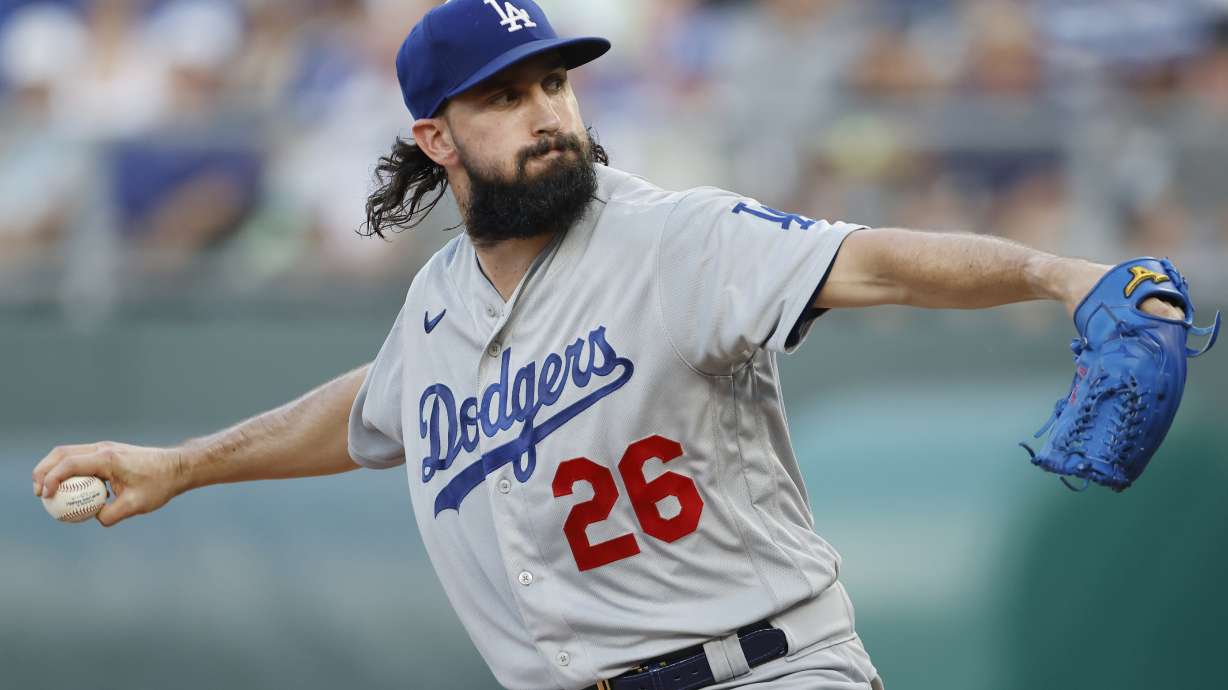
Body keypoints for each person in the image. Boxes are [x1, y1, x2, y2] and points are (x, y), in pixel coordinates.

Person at [31, 2, 1185, 689]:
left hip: (769, 669)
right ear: (435, 136)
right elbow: (373, 407)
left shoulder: (671, 236)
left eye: (554, 84)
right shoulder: (435, 309)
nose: (546, 114)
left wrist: (1057, 273)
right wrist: (183, 466)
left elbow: (872, 257)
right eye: (504, 98)